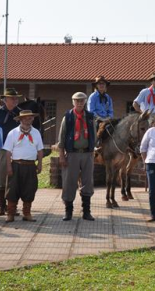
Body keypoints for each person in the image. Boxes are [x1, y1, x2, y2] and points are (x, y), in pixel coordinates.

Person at [57, 92, 97, 221]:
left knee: (88, 182)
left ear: (85, 102)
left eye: (82, 100)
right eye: (77, 101)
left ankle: (86, 211)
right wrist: (61, 156)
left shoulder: (90, 117)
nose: (79, 103)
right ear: (73, 102)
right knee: (69, 181)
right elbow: (61, 138)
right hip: (72, 153)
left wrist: (92, 151)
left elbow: (94, 135)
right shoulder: (68, 117)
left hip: (86, 153)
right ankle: (68, 211)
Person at [3, 109, 43, 222]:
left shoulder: (36, 133)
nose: (28, 119)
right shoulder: (13, 133)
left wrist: (39, 164)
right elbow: (8, 152)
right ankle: (10, 213)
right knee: (12, 189)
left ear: (33, 119)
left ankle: (27, 213)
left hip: (30, 166)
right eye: (25, 118)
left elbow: (40, 151)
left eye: (30, 117)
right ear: (20, 119)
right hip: (16, 165)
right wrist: (8, 166)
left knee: (30, 188)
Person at [0, 87, 22, 216]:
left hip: (17, 149)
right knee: (1, 177)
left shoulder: (20, 113)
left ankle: (13, 207)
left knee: (15, 179)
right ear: (5, 100)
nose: (15, 100)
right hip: (2, 149)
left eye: (16, 98)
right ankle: (0, 205)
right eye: (12, 98)